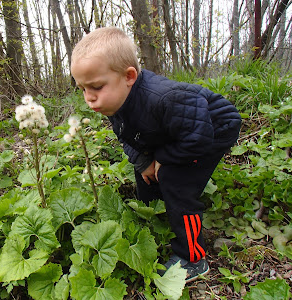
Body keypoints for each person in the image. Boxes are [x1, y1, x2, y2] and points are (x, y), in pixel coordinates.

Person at [70, 27, 241, 283]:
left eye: (95, 87)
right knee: (146, 173)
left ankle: (193, 258)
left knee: (174, 179)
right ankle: (157, 220)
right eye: (82, 89)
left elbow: (198, 136)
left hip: (213, 128)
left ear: (129, 76)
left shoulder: (163, 98)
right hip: (177, 131)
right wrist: (145, 161)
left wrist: (164, 160)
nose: (89, 98)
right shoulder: (116, 100)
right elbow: (127, 135)